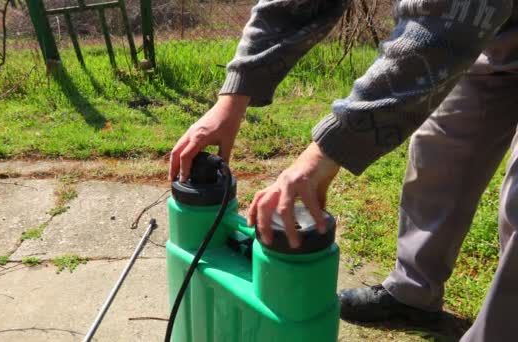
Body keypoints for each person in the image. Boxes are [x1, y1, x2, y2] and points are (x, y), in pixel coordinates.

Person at [168, 0, 517, 341]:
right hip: (493, 39)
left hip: (471, 18)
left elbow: (438, 29)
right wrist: (232, 98)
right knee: (440, 152)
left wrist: (321, 155)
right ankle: (414, 293)